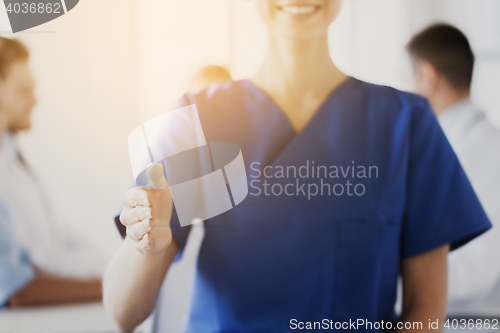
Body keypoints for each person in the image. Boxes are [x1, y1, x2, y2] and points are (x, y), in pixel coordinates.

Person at [104, 1, 492, 332]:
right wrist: (147, 247)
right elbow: (124, 314)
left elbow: (426, 311)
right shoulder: (199, 120)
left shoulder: (407, 125)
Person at [0, 37, 105, 306]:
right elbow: (14, 288)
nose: (35, 100)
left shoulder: (15, 160)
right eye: (24, 90)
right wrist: (113, 289)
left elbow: (56, 245)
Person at [407, 23, 500, 317]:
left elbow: (478, 268)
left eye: (407, 78)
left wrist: (391, 275)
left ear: (426, 76)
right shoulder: (457, 145)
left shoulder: (483, 151)